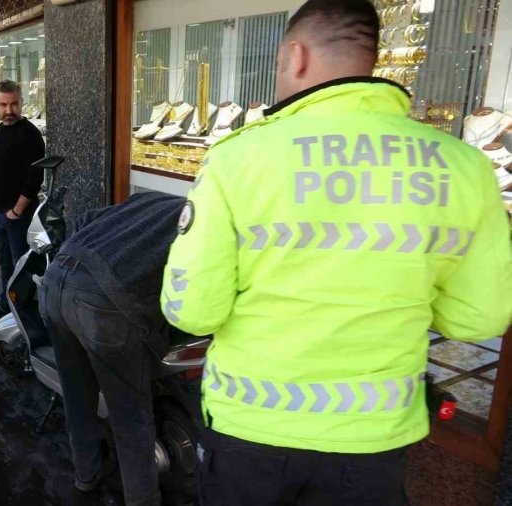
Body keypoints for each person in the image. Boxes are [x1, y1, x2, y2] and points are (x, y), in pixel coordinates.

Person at [161, 1, 512, 504]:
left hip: (252, 429)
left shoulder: (238, 158)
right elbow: (481, 318)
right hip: (376, 439)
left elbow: (193, 309)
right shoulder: (464, 168)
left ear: (295, 55)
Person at [39, 192, 185, 506]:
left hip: (55, 281)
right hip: (102, 303)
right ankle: (142, 500)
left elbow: (85, 219)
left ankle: (85, 477)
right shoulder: (206, 221)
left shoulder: (153, 200)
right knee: (131, 416)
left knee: (78, 397)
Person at [0, 80, 45, 320]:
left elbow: (35, 176)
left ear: (21, 102)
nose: (9, 111)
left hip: (17, 216)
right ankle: (7, 304)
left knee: (21, 267)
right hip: (0, 213)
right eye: (3, 105)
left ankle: (24, 315)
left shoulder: (30, 134)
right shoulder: (0, 129)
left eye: (14, 104)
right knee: (5, 263)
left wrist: (17, 211)